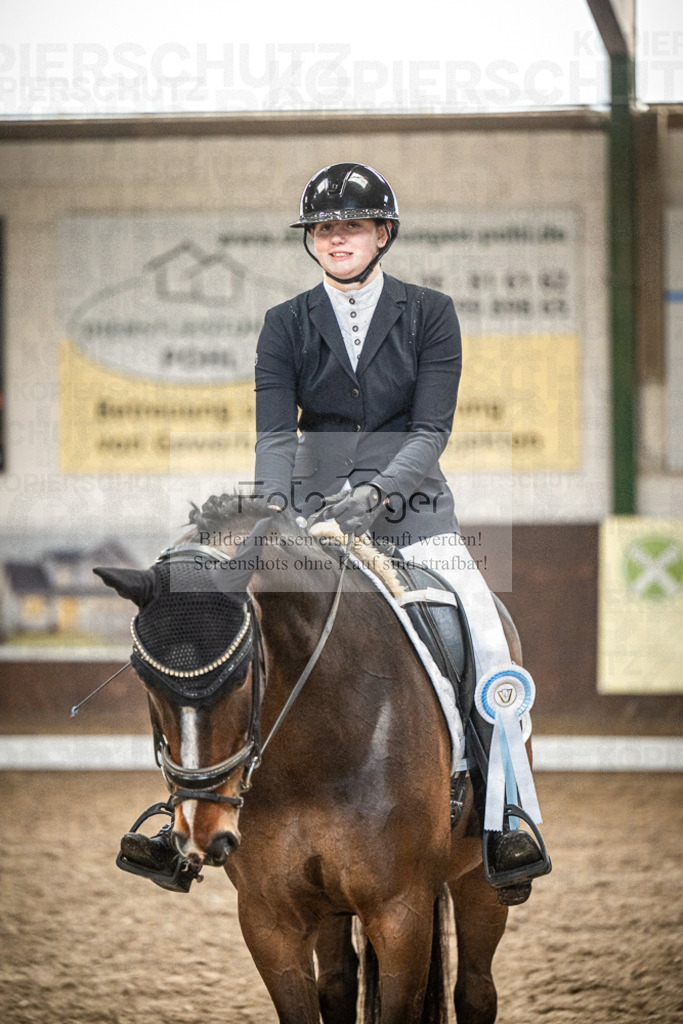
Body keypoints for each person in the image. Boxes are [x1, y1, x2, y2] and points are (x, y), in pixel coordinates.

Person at [121, 162, 550, 902]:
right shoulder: (284, 324)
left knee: (484, 637)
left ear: (381, 233)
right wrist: (282, 512)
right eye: (322, 228)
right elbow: (272, 437)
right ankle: (181, 821)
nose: (335, 238)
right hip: (310, 524)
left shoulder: (429, 313)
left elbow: (430, 429)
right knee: (220, 628)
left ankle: (509, 816)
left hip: (416, 519)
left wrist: (380, 493)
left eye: (350, 226)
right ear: (310, 243)